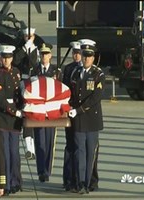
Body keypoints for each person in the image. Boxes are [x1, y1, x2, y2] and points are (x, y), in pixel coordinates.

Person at [68, 39, 105, 194]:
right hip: (78, 120)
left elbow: (95, 97)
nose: (86, 59)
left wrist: (78, 110)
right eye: (84, 55)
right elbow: (70, 94)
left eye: (89, 56)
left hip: (91, 119)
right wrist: (68, 107)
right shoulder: (75, 73)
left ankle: (88, 182)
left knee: (90, 154)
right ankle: (80, 182)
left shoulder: (98, 74)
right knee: (79, 152)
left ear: (94, 57)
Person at [0, 44, 23, 195]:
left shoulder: (16, 72)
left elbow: (20, 94)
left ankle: (16, 181)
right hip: (4, 118)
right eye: (4, 58)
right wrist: (14, 111)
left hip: (15, 120)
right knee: (5, 154)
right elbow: (0, 99)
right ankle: (5, 184)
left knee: (14, 153)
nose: (6, 60)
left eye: (9, 57)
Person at [31, 43, 61, 182]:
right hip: (38, 112)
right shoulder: (34, 70)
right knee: (39, 141)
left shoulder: (57, 71)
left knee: (49, 142)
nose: (44, 56)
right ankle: (41, 171)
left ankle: (47, 170)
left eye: (46, 54)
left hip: (51, 113)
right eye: (42, 54)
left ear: (50, 56)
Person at [13, 27, 40, 160]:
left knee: (30, 116)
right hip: (22, 83)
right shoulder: (21, 49)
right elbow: (16, 60)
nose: (28, 39)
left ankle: (32, 148)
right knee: (23, 115)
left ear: (34, 37)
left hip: (33, 85)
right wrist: (25, 49)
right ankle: (28, 147)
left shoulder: (36, 50)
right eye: (26, 37)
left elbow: (35, 64)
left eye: (30, 37)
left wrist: (31, 49)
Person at [62, 41, 82, 191]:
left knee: (79, 147)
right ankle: (68, 179)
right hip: (70, 112)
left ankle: (80, 179)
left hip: (81, 113)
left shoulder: (88, 70)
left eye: (79, 52)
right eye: (74, 52)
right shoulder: (68, 69)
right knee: (69, 146)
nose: (76, 55)